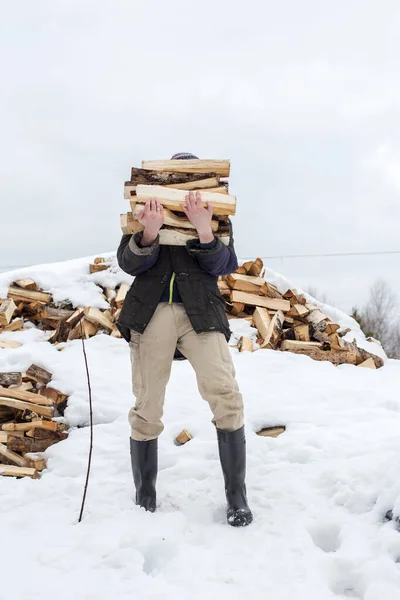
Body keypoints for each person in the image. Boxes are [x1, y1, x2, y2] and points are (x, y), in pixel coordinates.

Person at [117, 152, 253, 527]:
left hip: (201, 313)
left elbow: (225, 265)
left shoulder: (214, 213)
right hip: (151, 311)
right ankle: (145, 496)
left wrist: (204, 228)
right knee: (147, 405)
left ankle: (236, 496)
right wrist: (149, 232)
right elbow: (128, 263)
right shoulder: (145, 208)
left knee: (226, 394)